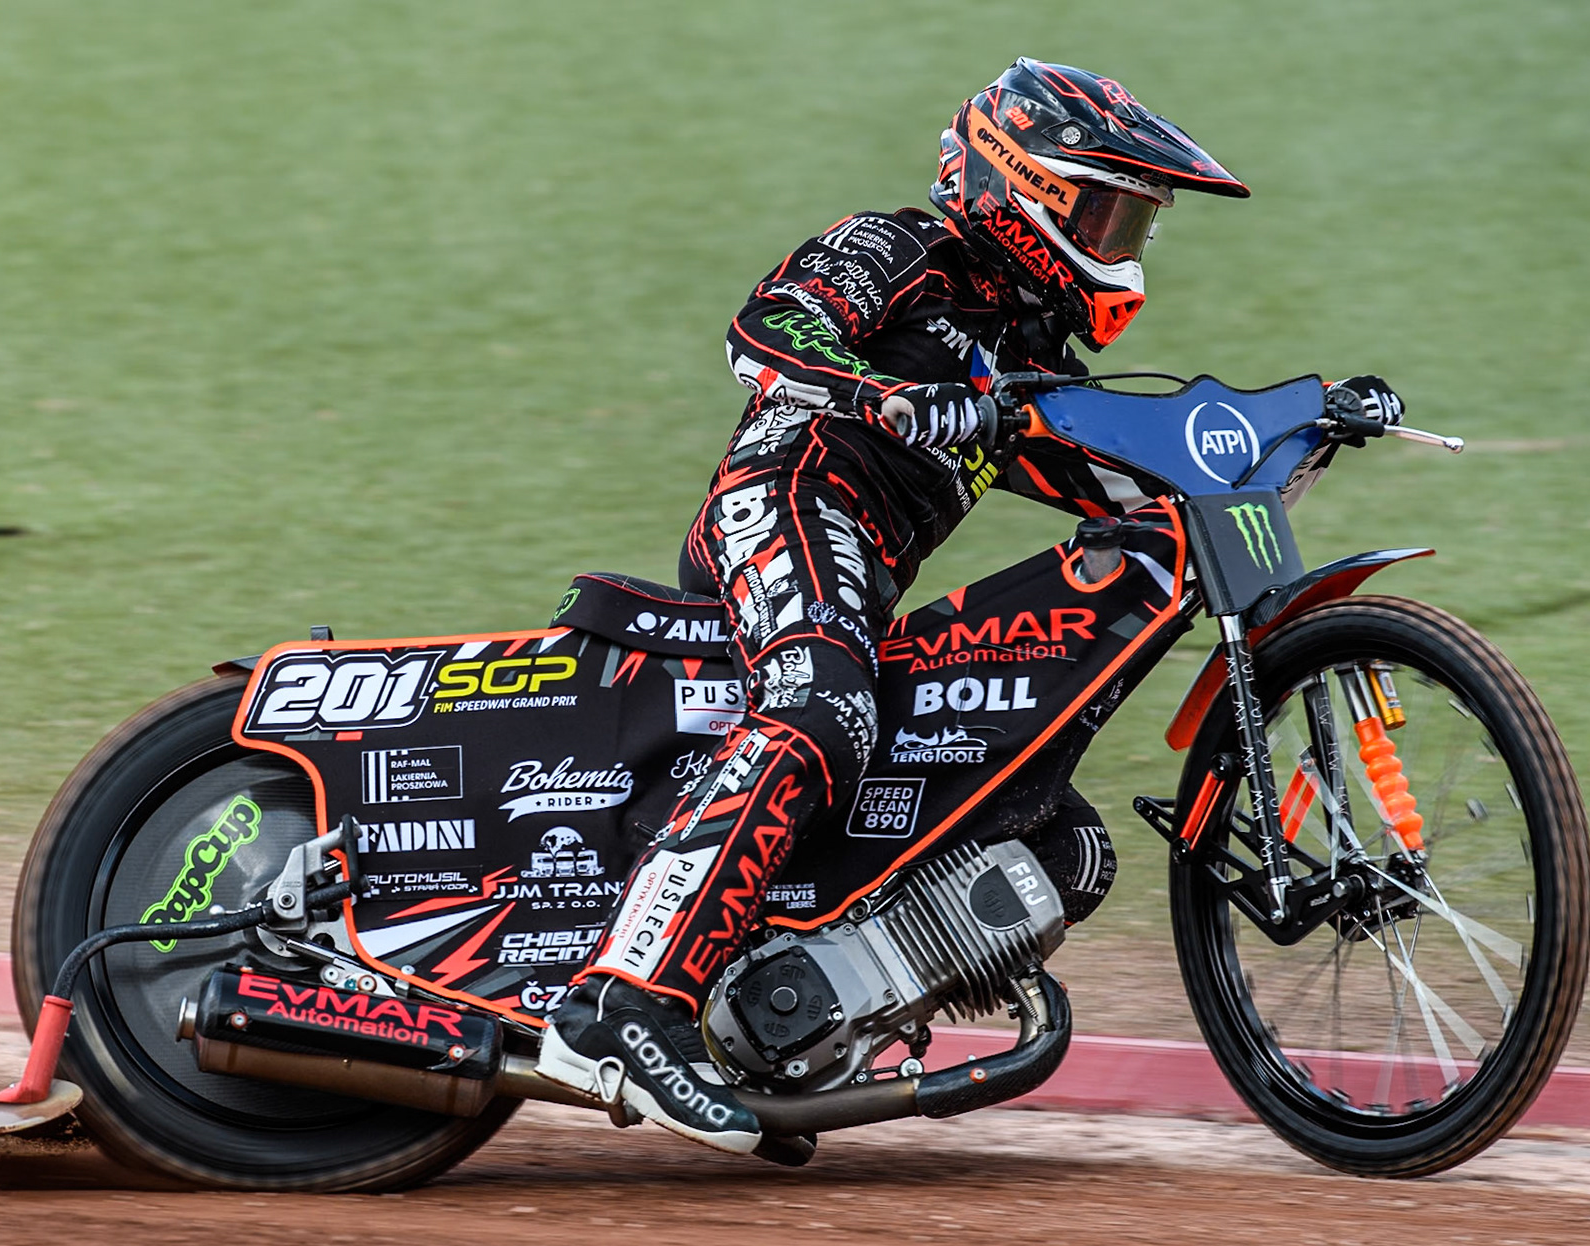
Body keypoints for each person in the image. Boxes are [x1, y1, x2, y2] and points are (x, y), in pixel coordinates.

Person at [536, 58, 1405, 1154]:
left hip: (865, 577)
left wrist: (1304, 425)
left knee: (1060, 841)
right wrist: (883, 394)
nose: (1123, 242)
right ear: (1017, 185)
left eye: (1136, 221)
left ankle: (792, 1034)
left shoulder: (1029, 355)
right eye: (1105, 209)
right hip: (787, 503)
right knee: (821, 712)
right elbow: (765, 333)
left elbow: (1126, 477)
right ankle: (621, 1008)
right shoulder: (900, 248)